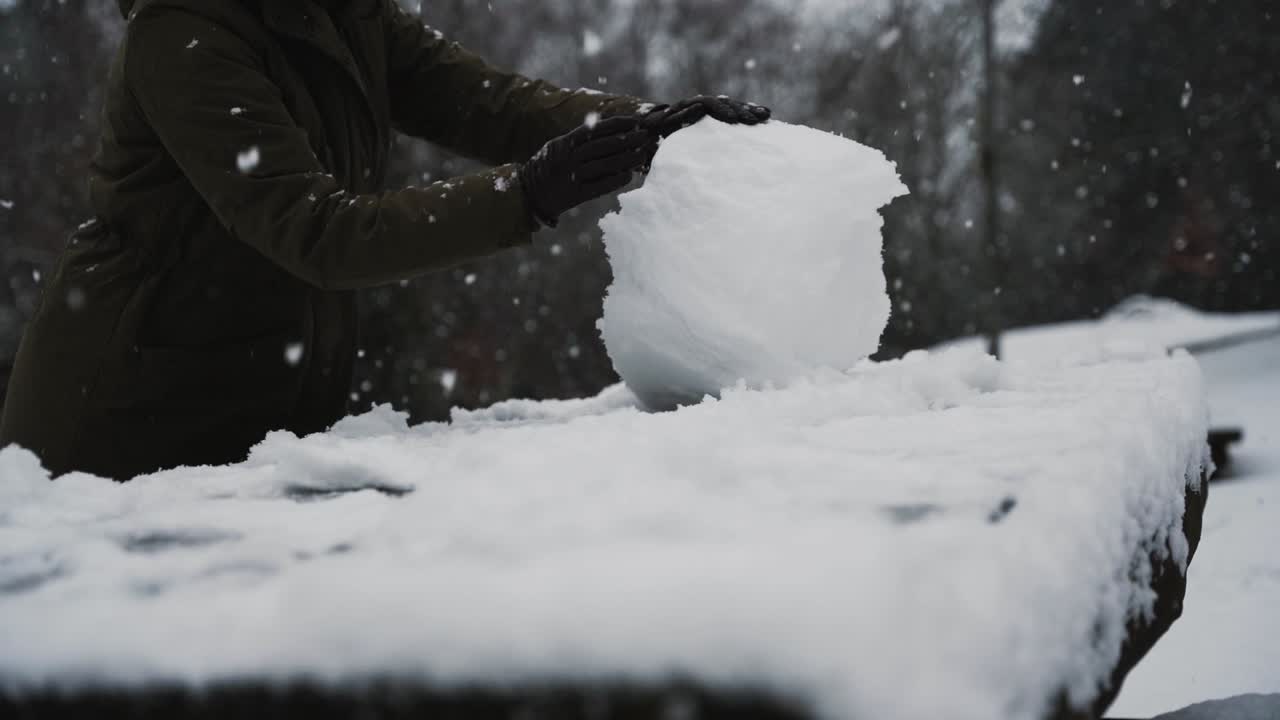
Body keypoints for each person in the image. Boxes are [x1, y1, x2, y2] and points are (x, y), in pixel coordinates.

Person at [0, 0, 769, 481]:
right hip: (118, 432)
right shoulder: (186, 34)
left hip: (262, 416)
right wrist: (528, 194)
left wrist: (653, 124)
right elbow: (319, 233)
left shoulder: (351, 15)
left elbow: (490, 104)